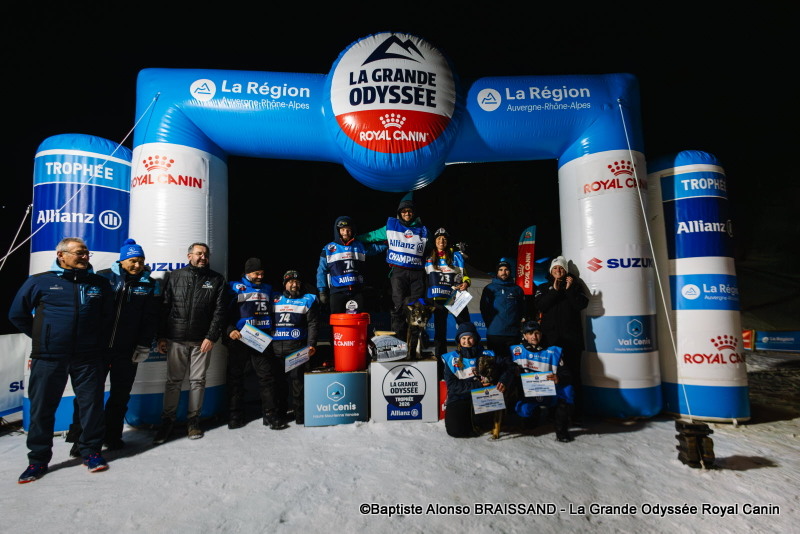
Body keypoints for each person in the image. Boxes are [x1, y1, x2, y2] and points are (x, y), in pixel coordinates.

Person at [8, 237, 114, 482]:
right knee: (42, 409)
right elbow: (17, 314)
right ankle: (37, 460)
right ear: (61, 255)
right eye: (79, 252)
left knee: (92, 407)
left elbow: (107, 319)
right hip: (49, 358)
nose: (85, 256)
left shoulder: (99, 283)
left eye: (87, 253)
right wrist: (43, 337)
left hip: (88, 357)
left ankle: (91, 452)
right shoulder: (40, 281)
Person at [66, 238, 161, 455]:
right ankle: (80, 440)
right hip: (96, 349)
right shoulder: (102, 277)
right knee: (88, 397)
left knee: (120, 395)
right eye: (132, 261)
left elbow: (150, 319)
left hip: (126, 350)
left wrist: (144, 345)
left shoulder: (149, 284)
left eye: (141, 261)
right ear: (123, 260)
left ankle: (112, 435)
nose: (137, 265)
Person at [153, 242, 227, 443]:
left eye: (206, 254)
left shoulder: (216, 279)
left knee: (197, 381)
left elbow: (219, 312)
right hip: (176, 339)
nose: (203, 257)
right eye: (199, 254)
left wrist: (211, 337)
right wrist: (161, 336)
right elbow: (165, 306)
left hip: (201, 340)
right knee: (173, 382)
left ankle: (193, 421)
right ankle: (167, 421)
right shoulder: (175, 276)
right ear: (189, 256)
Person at [357, 193, 429, 339]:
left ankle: (415, 341)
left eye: (409, 211)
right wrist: (354, 238)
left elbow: (434, 249)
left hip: (417, 274)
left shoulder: (423, 229)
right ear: (399, 213)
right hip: (399, 272)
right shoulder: (391, 226)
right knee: (398, 306)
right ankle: (399, 340)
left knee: (417, 307)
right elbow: (372, 236)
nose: (407, 214)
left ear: (413, 213)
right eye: (404, 211)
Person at [224, 257, 273, 430]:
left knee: (266, 377)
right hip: (240, 338)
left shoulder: (268, 289)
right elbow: (222, 311)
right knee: (236, 377)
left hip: (261, 339)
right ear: (247, 273)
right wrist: (230, 329)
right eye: (256, 273)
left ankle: (270, 415)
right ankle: (235, 415)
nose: (260, 276)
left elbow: (273, 311)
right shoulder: (235, 287)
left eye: (262, 273)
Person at [534, 255, 588, 411]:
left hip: (572, 339)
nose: (558, 270)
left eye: (561, 268)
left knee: (573, 374)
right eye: (555, 268)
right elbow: (541, 306)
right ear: (551, 271)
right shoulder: (544, 287)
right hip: (550, 340)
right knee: (550, 375)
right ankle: (552, 411)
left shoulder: (575, 286)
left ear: (566, 270)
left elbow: (580, 305)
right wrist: (555, 291)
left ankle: (576, 412)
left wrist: (569, 290)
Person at [507, 320, 575, 442]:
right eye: (530, 333)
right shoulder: (515, 351)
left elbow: (567, 374)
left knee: (567, 390)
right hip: (527, 393)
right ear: (524, 335)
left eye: (537, 333)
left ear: (541, 334)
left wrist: (558, 378)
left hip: (549, 392)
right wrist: (514, 373)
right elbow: (506, 372)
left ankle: (561, 430)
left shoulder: (553, 351)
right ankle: (534, 413)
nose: (534, 336)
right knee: (528, 424)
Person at [440, 322, 510, 438]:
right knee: (456, 431)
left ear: (476, 339)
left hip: (484, 396)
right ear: (459, 340)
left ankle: (481, 420)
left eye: (470, 338)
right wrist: (477, 385)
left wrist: (503, 381)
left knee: (483, 425)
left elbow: (508, 366)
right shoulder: (451, 358)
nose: (466, 341)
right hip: (460, 397)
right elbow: (452, 386)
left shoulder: (488, 354)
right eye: (463, 338)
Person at [270, 270, 319, 427]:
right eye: (290, 281)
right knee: (279, 385)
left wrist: (311, 344)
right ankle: (280, 415)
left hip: (297, 348)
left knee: (298, 384)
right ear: (285, 283)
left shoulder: (308, 299)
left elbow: (313, 323)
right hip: (276, 349)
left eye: (297, 282)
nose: (294, 284)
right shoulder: (274, 298)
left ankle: (300, 415)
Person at [316, 215, 386, 314]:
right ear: (338, 231)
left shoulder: (359, 245)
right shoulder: (328, 249)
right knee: (337, 321)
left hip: (357, 291)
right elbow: (321, 271)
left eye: (348, 230)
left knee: (358, 320)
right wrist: (322, 291)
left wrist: (388, 243)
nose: (346, 233)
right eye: (343, 230)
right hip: (337, 291)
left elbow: (375, 249)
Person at [425, 227, 471, 364]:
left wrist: (466, 283)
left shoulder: (456, 255)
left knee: (465, 327)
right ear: (435, 241)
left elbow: (465, 275)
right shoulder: (428, 256)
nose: (441, 241)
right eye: (439, 238)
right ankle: (440, 362)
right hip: (437, 299)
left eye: (444, 238)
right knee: (440, 333)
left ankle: (467, 357)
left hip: (454, 297)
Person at [480, 257, 526, 357]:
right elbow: (484, 309)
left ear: (510, 271)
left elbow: (522, 309)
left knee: (513, 363)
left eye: (506, 269)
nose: (503, 272)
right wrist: (491, 324)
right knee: (495, 363)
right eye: (501, 270)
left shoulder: (517, 289)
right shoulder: (490, 288)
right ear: (497, 272)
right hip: (495, 333)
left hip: (513, 334)